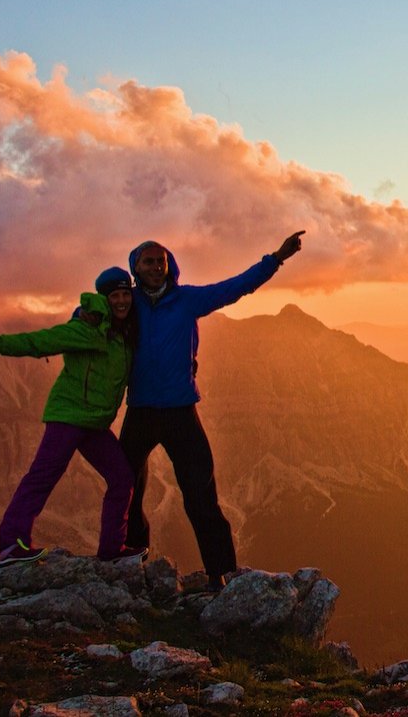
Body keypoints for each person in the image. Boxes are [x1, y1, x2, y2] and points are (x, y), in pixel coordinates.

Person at [120, 231, 305, 590]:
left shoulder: (186, 299)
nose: (157, 267)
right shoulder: (128, 305)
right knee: (126, 486)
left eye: (161, 261)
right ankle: (132, 554)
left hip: (180, 411)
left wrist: (276, 258)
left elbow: (236, 287)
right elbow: (92, 310)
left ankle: (218, 573)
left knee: (201, 492)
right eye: (149, 262)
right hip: (141, 409)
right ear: (135, 269)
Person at [0, 267, 145, 565]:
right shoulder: (86, 330)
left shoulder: (126, 333)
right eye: (114, 296)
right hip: (68, 417)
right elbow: (42, 341)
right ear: (104, 299)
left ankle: (112, 551)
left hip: (95, 423)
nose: (121, 301)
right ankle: (11, 545)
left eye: (125, 294)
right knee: (43, 477)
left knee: (122, 479)